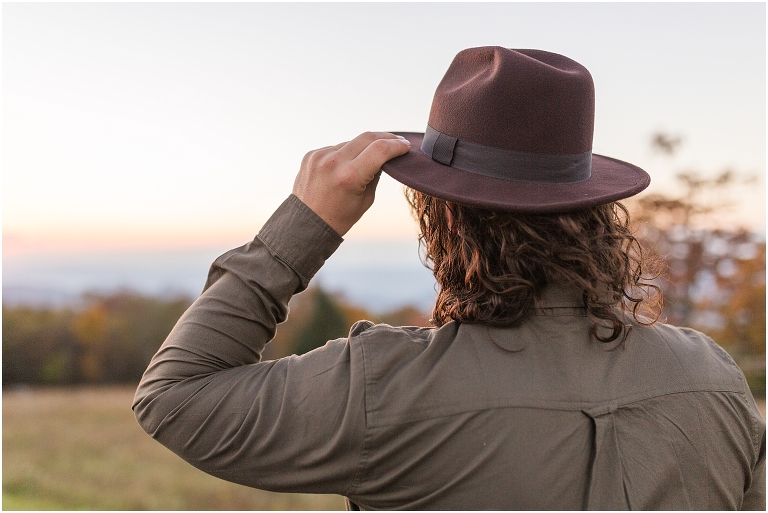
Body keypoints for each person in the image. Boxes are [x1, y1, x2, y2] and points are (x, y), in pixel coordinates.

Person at [133, 47, 765, 510]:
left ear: (445, 222)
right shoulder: (712, 380)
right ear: (591, 210)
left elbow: (174, 396)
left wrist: (304, 225)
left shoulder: (386, 390)